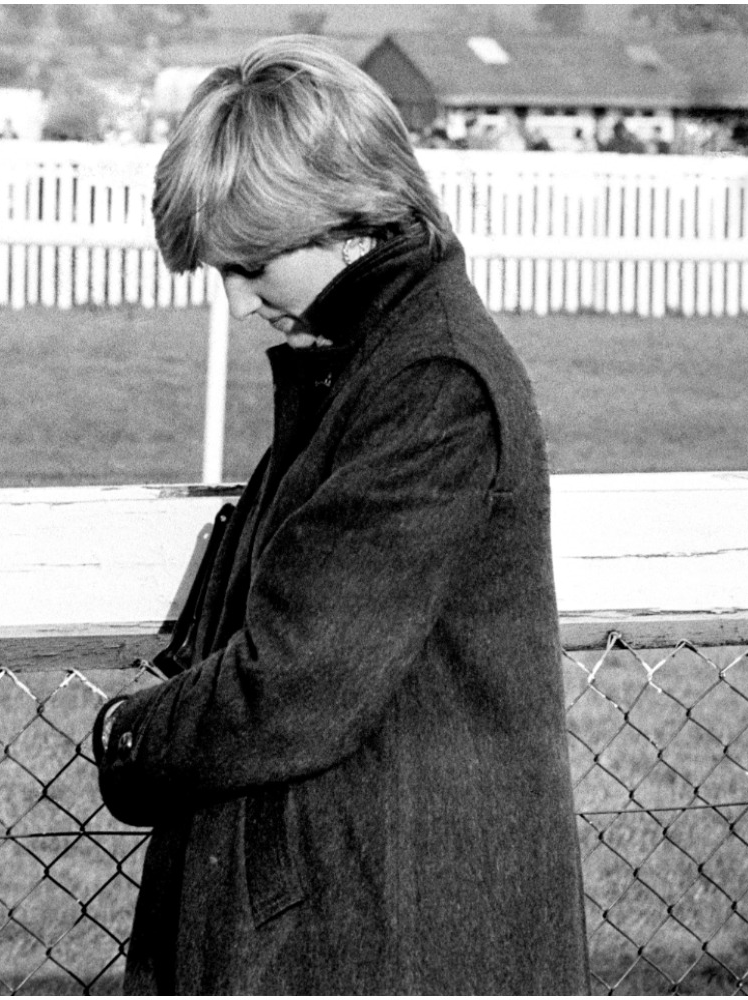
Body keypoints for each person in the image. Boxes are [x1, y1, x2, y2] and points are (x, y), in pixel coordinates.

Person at [91, 36, 587, 994]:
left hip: (394, 928)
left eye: (251, 265)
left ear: (345, 220)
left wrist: (131, 738)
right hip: (363, 903)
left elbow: (296, 683)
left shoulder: (428, 381)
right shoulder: (373, 363)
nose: (237, 306)